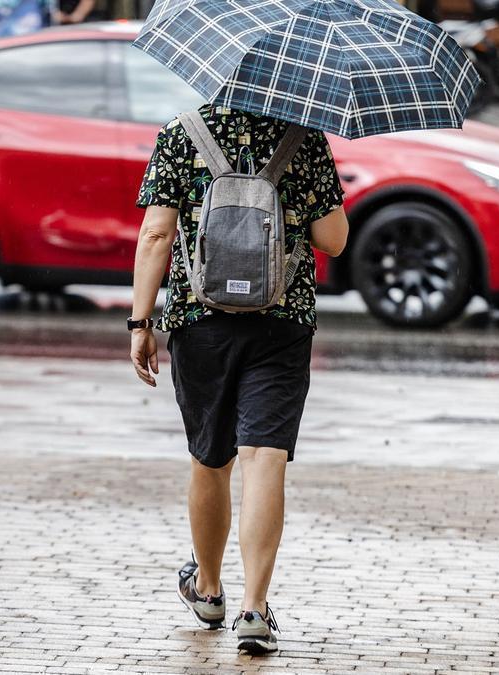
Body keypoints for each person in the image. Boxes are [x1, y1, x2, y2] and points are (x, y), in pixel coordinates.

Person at [129, 104, 348, 652]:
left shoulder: (183, 133)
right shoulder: (304, 139)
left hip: (199, 319)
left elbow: (157, 233)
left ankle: (207, 590)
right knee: (264, 457)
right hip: (281, 319)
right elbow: (334, 240)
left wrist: (140, 321)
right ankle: (254, 608)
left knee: (211, 457)